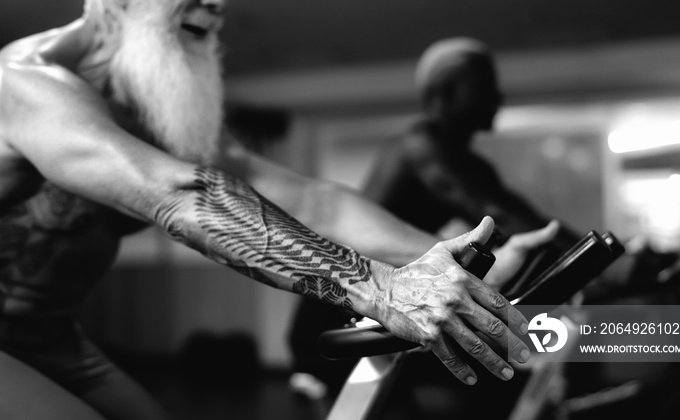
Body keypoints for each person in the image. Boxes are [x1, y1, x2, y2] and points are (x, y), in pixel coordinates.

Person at [0, 2, 559, 419]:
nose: (215, 3)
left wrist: (447, 269)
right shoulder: (25, 83)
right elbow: (177, 194)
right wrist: (381, 289)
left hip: (51, 334)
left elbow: (315, 201)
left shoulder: (149, 112)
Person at [363, 37, 581, 259]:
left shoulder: (467, 164)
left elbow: (519, 219)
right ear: (447, 93)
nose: (498, 96)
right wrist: (598, 258)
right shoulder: (419, 148)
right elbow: (504, 217)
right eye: (484, 85)